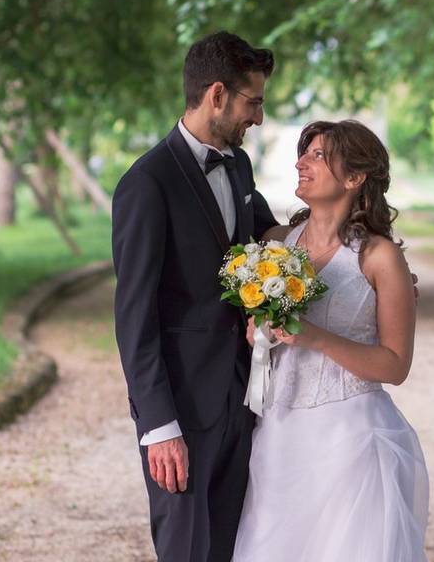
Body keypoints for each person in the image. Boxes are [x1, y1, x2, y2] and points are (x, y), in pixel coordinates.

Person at [111, 31, 279, 561]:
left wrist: (363, 252)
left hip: (239, 397)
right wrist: (158, 426)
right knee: (185, 550)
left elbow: (270, 236)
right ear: (217, 95)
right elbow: (134, 315)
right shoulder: (147, 183)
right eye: (253, 103)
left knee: (230, 546)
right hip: (180, 410)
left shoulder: (239, 165)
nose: (258, 117)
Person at [233, 120, 429, 561]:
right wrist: (258, 333)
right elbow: (257, 329)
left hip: (350, 442)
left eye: (317, 155)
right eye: (303, 153)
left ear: (355, 177)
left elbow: (395, 365)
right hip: (278, 436)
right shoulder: (274, 245)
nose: (300, 163)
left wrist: (318, 338)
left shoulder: (379, 257)